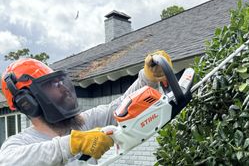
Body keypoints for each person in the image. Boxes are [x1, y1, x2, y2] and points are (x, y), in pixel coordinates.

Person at [0, 50, 172, 165]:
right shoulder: (20, 144)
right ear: (28, 103)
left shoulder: (82, 124)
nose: (63, 88)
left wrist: (147, 80)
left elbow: (119, 107)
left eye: (59, 81)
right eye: (51, 85)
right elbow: (8, 161)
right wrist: (72, 144)